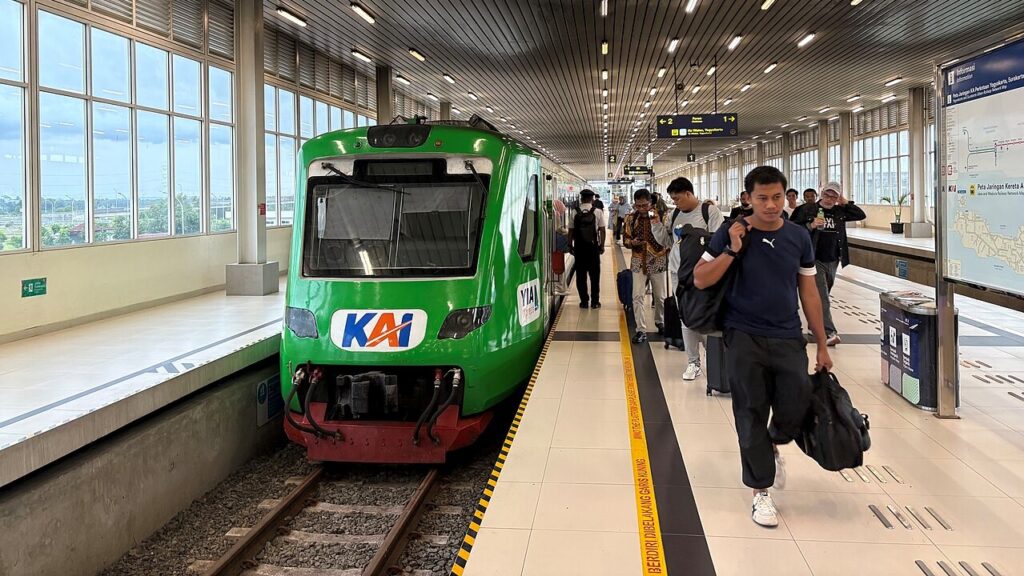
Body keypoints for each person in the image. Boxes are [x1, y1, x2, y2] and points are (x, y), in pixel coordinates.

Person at [693, 165, 832, 529]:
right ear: (748, 199)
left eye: (776, 198)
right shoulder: (731, 231)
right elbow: (700, 278)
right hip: (743, 336)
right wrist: (733, 251)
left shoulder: (799, 237)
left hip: (787, 335)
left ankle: (773, 442)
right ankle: (761, 492)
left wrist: (821, 342)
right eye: (762, 198)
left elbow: (809, 291)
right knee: (750, 411)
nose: (770, 206)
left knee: (795, 402)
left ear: (785, 196)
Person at [791, 181, 866, 346]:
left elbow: (860, 215)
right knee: (822, 296)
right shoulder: (807, 209)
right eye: (827, 194)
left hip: (833, 258)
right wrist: (810, 225)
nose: (830, 198)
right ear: (821, 193)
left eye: (834, 196)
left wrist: (845, 202)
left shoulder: (840, 211)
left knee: (823, 295)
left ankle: (813, 325)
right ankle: (829, 331)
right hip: (813, 259)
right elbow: (792, 228)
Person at [666, 177, 725, 380]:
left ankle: (714, 356)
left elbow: (719, 242)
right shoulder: (673, 214)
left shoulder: (709, 212)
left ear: (689, 194)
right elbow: (669, 241)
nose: (676, 203)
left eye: (678, 199)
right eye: (673, 200)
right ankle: (693, 362)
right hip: (677, 273)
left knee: (706, 314)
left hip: (703, 273)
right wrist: (658, 226)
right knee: (685, 316)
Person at [623, 189, 671, 343]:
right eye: (638, 206)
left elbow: (666, 238)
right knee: (637, 296)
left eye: (644, 205)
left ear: (651, 203)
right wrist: (632, 243)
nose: (642, 209)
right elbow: (625, 239)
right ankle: (641, 329)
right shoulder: (631, 218)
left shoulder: (660, 216)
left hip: (658, 259)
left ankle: (660, 322)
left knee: (659, 296)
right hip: (638, 260)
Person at [567, 189, 606, 309]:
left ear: (581, 198)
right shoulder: (598, 212)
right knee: (595, 276)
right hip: (592, 247)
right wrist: (602, 245)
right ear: (592, 199)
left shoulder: (574, 212)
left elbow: (571, 231)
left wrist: (570, 245)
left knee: (581, 276)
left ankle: (584, 301)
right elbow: (602, 230)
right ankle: (595, 302)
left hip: (579, 247)